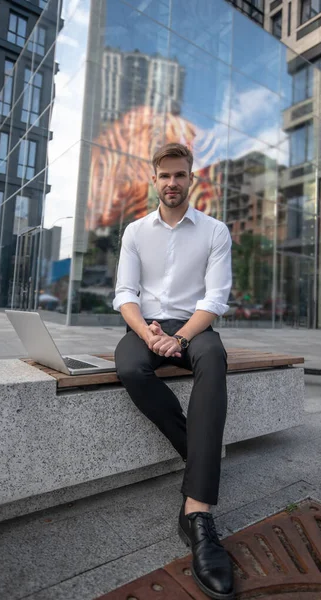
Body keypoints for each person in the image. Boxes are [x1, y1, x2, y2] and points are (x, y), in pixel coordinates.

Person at [113, 142, 234, 600]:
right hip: (147, 327)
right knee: (130, 368)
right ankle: (200, 453)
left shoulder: (214, 231)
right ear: (154, 178)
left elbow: (215, 299)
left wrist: (179, 338)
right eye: (164, 176)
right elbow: (125, 292)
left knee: (213, 357)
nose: (172, 183)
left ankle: (198, 511)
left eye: (180, 175)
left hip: (193, 327)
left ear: (192, 180)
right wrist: (148, 334)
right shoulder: (134, 231)